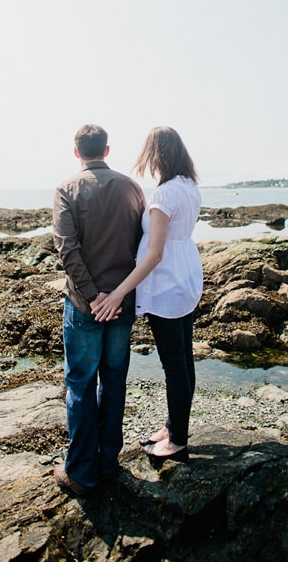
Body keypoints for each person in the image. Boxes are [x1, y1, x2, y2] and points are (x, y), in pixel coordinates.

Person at [91, 126, 202, 469]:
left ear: (158, 155)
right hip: (186, 278)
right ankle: (173, 427)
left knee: (175, 367)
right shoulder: (189, 188)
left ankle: (178, 441)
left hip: (167, 286)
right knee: (184, 359)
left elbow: (153, 254)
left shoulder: (164, 195)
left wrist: (120, 292)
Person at [52, 124, 146, 495]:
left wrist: (92, 297)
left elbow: (67, 250)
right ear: (106, 150)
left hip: (84, 306)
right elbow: (143, 245)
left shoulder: (66, 189)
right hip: (122, 303)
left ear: (77, 152)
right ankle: (108, 463)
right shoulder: (132, 188)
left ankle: (81, 472)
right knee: (114, 381)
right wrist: (113, 297)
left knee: (80, 384)